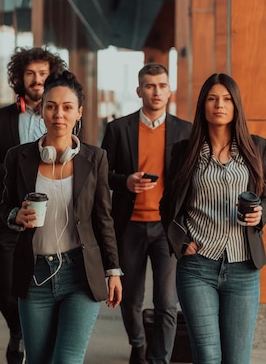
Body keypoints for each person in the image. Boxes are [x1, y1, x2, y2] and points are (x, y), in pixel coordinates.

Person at [0, 70, 122, 364]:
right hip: (34, 274)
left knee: (67, 359)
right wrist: (18, 216)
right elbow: (4, 209)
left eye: (67, 107)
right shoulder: (19, 157)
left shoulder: (96, 159)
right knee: (39, 359)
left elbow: (104, 218)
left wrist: (114, 271)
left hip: (80, 272)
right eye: (51, 106)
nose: (59, 114)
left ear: (79, 112)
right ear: (41, 110)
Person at [160, 73, 266, 364]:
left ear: (236, 105)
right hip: (198, 267)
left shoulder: (256, 148)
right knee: (208, 356)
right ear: (203, 106)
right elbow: (167, 205)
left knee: (237, 359)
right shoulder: (184, 152)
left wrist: (261, 213)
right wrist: (180, 240)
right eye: (212, 99)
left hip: (243, 267)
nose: (219, 105)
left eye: (226, 99)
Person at [100, 62, 192, 364]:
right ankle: (138, 345)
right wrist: (124, 181)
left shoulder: (185, 130)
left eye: (162, 85)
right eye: (150, 86)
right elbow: (101, 176)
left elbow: (192, 183)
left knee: (167, 302)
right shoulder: (118, 129)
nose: (156, 91)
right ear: (139, 90)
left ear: (170, 91)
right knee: (130, 300)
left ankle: (159, 359)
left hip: (168, 229)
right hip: (129, 226)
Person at [0, 46, 66, 364]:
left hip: (54, 218)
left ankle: (40, 341)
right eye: (30, 73)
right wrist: (16, 171)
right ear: (20, 77)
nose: (37, 79)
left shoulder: (62, 115)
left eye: (43, 73)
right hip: (9, 217)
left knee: (49, 282)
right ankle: (18, 332)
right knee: (6, 290)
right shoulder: (2, 118)